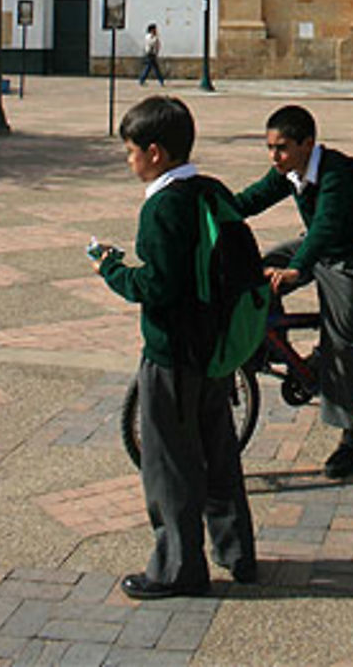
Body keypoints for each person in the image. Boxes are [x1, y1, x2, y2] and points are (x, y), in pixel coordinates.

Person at [94, 95, 256, 598]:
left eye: (130, 150)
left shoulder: (164, 207)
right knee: (219, 453)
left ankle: (177, 570)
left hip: (172, 355)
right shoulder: (209, 190)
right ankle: (237, 553)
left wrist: (113, 272)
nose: (128, 159)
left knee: (169, 464)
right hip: (214, 352)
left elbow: (159, 288)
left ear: (156, 152)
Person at [234, 104, 353, 480]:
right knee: (252, 269)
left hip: (348, 257)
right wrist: (209, 214)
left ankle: (352, 439)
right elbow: (250, 200)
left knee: (342, 342)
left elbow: (326, 227)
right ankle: (271, 340)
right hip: (316, 246)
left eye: (280, 148)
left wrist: (297, 269)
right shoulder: (290, 171)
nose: (274, 156)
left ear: (307, 144)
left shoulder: (334, 174)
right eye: (269, 147)